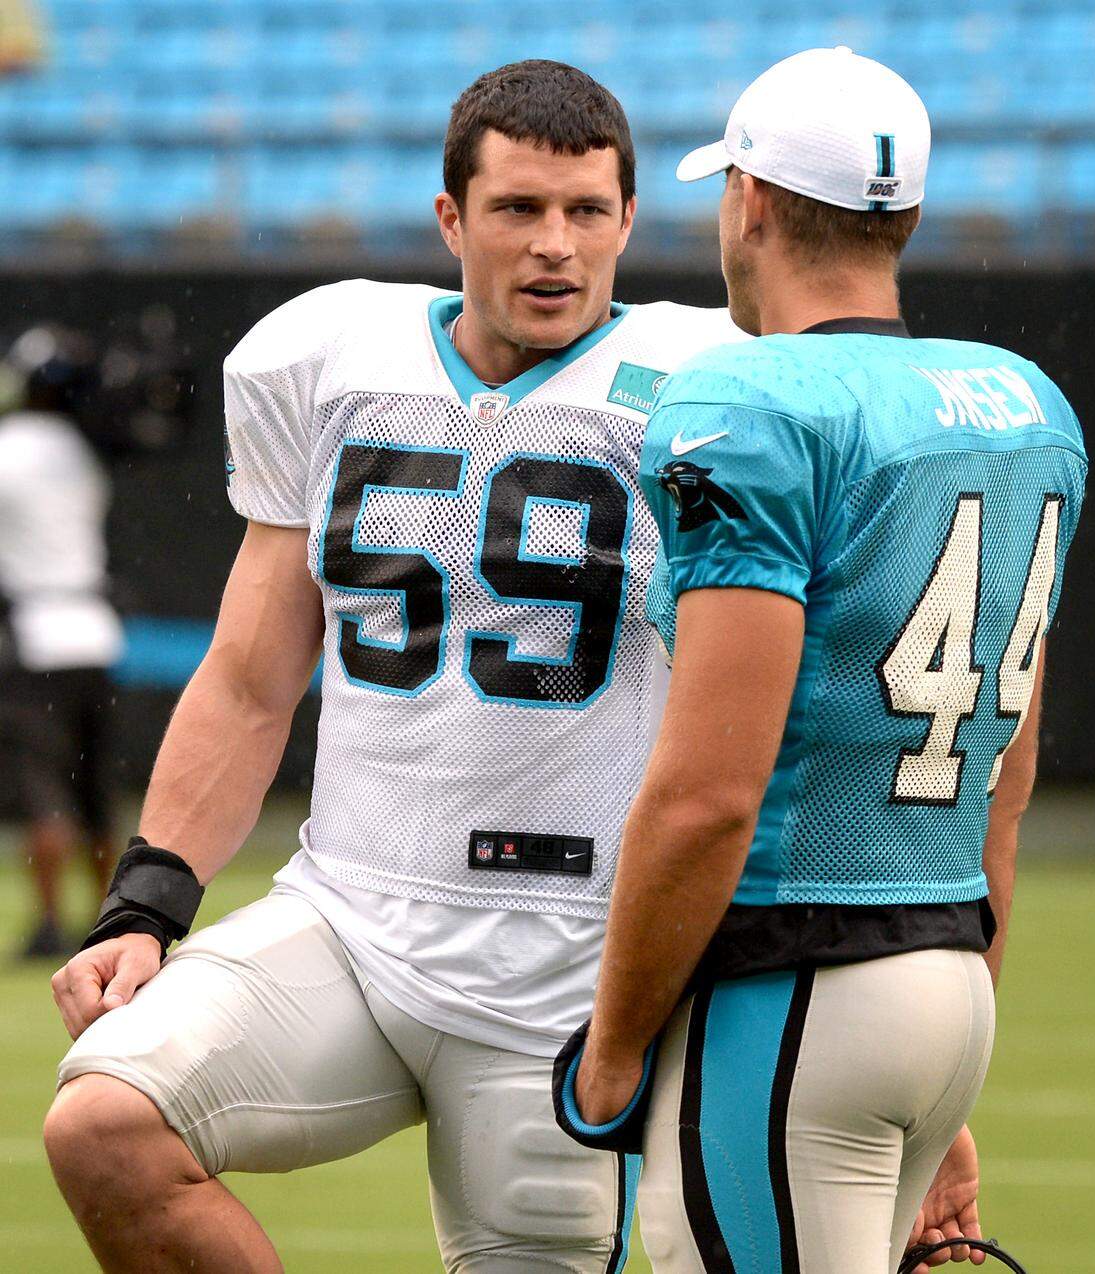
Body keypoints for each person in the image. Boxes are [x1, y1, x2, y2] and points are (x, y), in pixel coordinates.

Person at [42, 61, 744, 1273]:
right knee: (103, 1124)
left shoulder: (713, 387)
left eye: (586, 211)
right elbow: (254, 673)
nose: (555, 247)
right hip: (351, 918)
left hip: (573, 962)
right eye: (519, 209)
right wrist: (149, 901)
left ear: (631, 219)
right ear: (450, 218)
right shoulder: (331, 359)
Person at [554, 47, 1087, 1273]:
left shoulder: (749, 404)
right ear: (902, 212)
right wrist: (960, 1023)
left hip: (791, 984)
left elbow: (708, 796)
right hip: (947, 972)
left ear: (747, 200)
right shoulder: (1024, 401)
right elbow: (1006, 779)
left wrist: (618, 1038)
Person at [0, 327, 123, 958]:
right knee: (95, 791)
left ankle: (49, 922)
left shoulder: (9, 446)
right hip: (96, 633)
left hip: (39, 636)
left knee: (44, 789)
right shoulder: (86, 450)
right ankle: (106, 916)